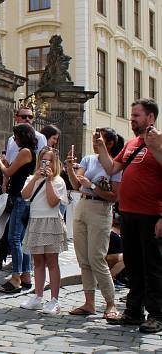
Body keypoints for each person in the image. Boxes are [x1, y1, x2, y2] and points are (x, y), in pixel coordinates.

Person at [96, 98, 162, 333]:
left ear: (150, 118)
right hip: (129, 213)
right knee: (133, 264)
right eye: (132, 115)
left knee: (152, 266)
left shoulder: (160, 141)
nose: (132, 119)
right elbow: (112, 168)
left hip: (152, 214)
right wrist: (102, 149)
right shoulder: (132, 143)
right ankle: (134, 312)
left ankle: (157, 314)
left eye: (136, 116)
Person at [66, 127, 123, 319]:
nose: (94, 141)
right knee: (83, 259)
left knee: (97, 258)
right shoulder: (89, 159)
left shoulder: (114, 165)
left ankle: (110, 304)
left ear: (109, 143)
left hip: (100, 209)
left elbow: (114, 196)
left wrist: (91, 186)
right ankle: (89, 303)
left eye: (98, 139)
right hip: (82, 205)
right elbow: (76, 185)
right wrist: (68, 167)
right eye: (94, 138)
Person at [18, 146, 68, 315]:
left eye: (50, 161)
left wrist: (48, 181)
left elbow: (54, 202)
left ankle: (54, 300)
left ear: (56, 163)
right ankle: (38, 297)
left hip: (51, 223)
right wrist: (36, 179)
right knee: (37, 262)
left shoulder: (59, 181)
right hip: (35, 222)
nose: (47, 164)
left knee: (52, 262)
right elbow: (24, 195)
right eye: (44, 161)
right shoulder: (32, 178)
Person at [0, 123, 37, 293]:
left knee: (14, 238)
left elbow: (9, 172)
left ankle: (16, 278)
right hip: (22, 198)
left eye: (16, 136)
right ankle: (26, 275)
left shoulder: (25, 152)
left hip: (20, 199)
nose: (15, 140)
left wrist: (0, 162)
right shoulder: (28, 152)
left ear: (23, 136)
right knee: (22, 239)